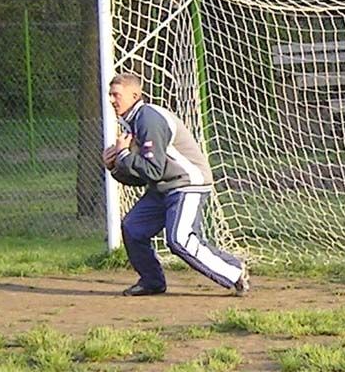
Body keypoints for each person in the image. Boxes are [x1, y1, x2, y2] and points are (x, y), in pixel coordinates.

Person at [102, 72, 249, 297]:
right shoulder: (132, 122)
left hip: (187, 184)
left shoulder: (148, 119)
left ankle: (235, 271)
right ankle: (152, 282)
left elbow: (153, 170)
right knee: (133, 228)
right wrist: (115, 166)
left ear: (135, 95)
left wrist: (123, 156)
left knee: (179, 239)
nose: (112, 100)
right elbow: (143, 176)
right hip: (163, 187)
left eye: (116, 95)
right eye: (110, 95)